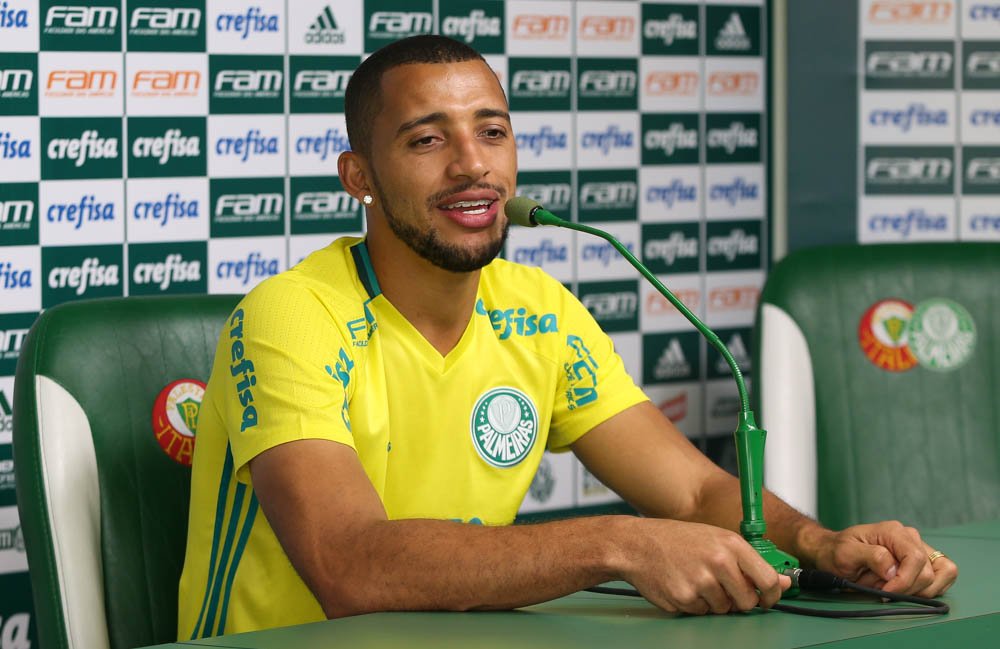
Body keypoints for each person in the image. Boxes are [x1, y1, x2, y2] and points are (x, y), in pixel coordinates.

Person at [177, 35, 957, 639]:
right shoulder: (290, 314)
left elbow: (691, 491)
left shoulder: (539, 307)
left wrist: (822, 545)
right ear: (359, 177)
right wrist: (618, 543)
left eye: (492, 132)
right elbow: (347, 566)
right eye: (426, 140)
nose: (472, 166)